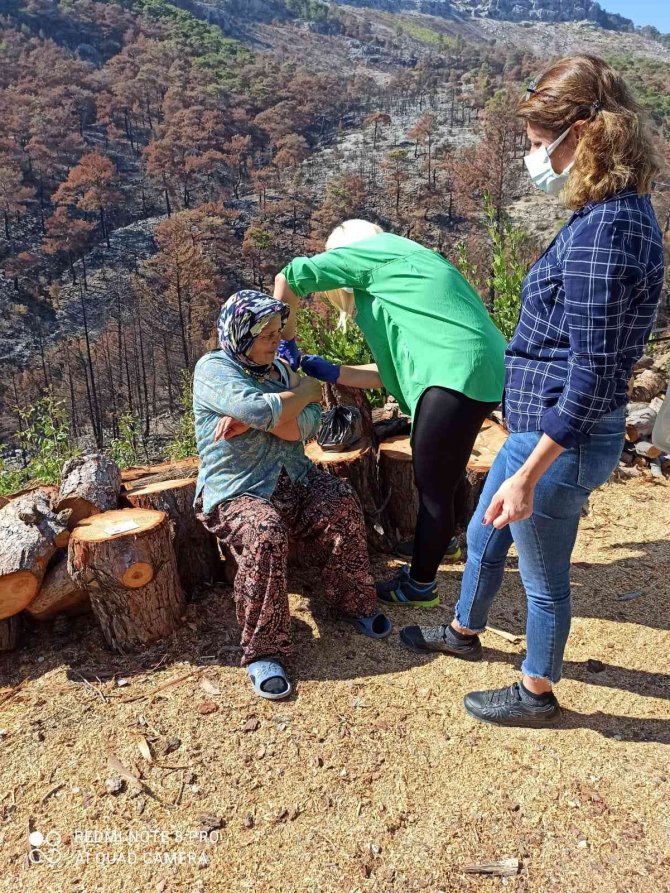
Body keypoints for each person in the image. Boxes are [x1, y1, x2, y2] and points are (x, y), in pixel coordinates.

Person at [400, 55, 665, 727]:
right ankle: (464, 631)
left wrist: (531, 472)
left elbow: (593, 374)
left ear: (582, 133)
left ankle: (537, 692)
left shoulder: (606, 233)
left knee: (544, 581)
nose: (534, 155)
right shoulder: (612, 213)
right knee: (484, 533)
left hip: (560, 441)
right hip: (536, 432)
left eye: (538, 140)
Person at [274, 222, 507, 608]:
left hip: (453, 375)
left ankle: (420, 585)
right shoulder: (410, 265)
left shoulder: (373, 254)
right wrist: (334, 371)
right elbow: (392, 372)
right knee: (443, 473)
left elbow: (289, 277)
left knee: (431, 487)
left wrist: (286, 337)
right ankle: (443, 543)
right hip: (482, 371)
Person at [193, 290, 392, 701]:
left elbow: (302, 426)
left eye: (276, 332)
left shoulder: (279, 369)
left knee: (340, 500)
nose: (274, 340)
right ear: (240, 334)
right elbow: (270, 412)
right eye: (265, 335)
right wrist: (301, 393)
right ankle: (264, 652)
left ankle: (351, 600)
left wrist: (271, 412)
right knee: (264, 531)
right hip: (236, 490)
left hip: (293, 478)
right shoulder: (214, 369)